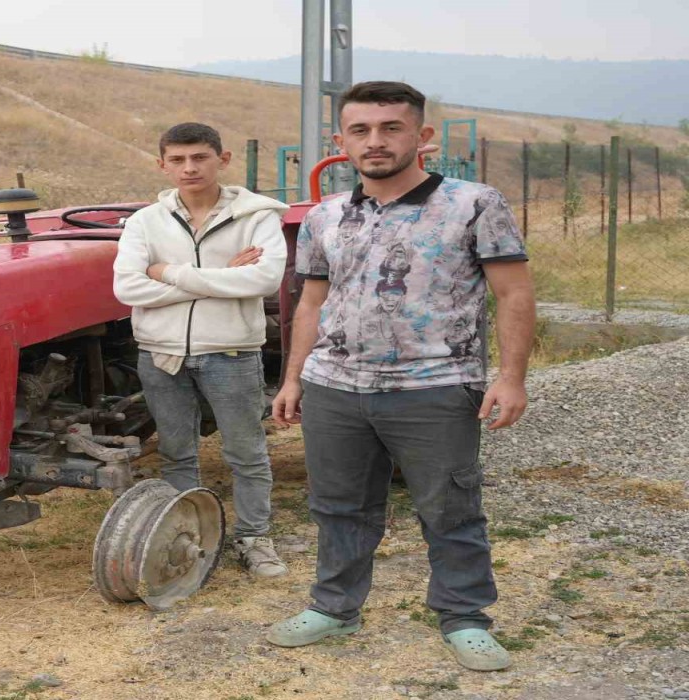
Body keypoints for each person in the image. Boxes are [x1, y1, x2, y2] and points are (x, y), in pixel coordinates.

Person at [267, 82, 535, 672]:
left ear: (422, 136)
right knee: (338, 507)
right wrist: (294, 378)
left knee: (450, 510)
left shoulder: (473, 203)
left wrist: (511, 377)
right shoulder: (325, 216)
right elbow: (312, 303)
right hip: (335, 387)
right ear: (341, 141)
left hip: (435, 386)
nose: (376, 141)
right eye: (360, 130)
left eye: (391, 128)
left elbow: (514, 293)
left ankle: (464, 617)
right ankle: (335, 607)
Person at [113, 122, 291, 577]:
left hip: (230, 352)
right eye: (178, 160)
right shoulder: (144, 222)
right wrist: (222, 277)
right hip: (160, 353)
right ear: (163, 165)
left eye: (199, 157)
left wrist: (167, 272)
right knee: (176, 452)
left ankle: (255, 539)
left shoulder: (257, 217)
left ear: (222, 159)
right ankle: (185, 539)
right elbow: (127, 287)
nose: (189, 168)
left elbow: (264, 279)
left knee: (246, 452)